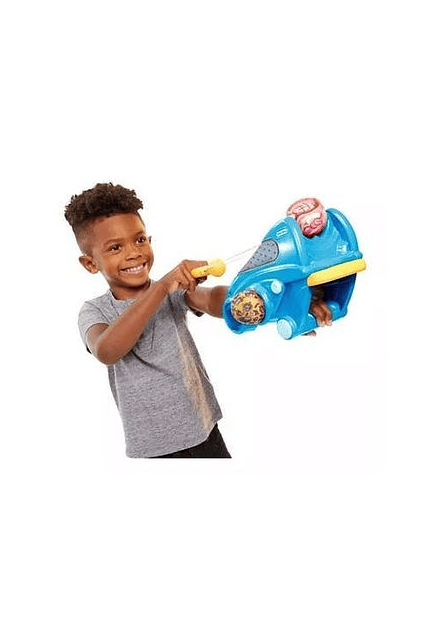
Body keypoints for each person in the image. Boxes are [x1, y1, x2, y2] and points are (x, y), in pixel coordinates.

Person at [65, 182, 332, 459]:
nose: (134, 252)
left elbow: (217, 300)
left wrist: (283, 305)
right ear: (90, 263)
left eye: (140, 240)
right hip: (155, 450)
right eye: (115, 247)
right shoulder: (94, 311)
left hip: (204, 430)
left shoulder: (174, 291)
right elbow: (107, 350)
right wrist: (162, 287)